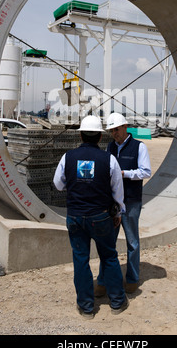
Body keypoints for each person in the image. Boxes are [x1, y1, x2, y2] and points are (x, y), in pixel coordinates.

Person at [53, 115, 129, 319]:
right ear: (100, 136)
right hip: (101, 217)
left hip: (76, 217)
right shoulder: (109, 159)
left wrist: (77, 184)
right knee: (109, 257)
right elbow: (117, 191)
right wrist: (119, 211)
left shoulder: (67, 157)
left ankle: (86, 307)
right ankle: (117, 302)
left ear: (80, 134)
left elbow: (58, 184)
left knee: (80, 260)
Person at [96, 112, 151, 295]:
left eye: (117, 129)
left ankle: (133, 279)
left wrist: (124, 174)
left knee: (132, 241)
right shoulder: (110, 148)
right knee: (108, 241)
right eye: (112, 131)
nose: (115, 134)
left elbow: (145, 172)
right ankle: (103, 280)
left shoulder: (139, 147)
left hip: (132, 201)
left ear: (125, 127)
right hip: (113, 203)